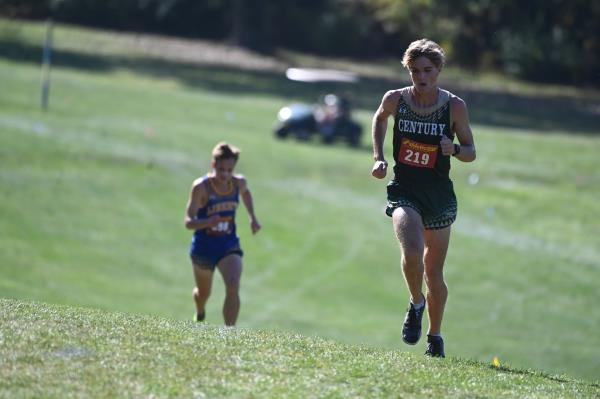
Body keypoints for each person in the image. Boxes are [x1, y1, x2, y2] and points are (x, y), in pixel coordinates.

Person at [370, 39, 476, 357]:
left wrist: (454, 149)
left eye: (428, 70)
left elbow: (471, 152)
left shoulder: (454, 106)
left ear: (439, 70)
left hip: (439, 196)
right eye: (415, 71)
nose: (421, 77)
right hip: (405, 189)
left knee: (434, 272)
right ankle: (416, 303)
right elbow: (379, 118)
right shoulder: (396, 99)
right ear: (408, 70)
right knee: (413, 251)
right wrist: (378, 157)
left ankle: (435, 337)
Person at [184, 142, 261, 326]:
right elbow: (188, 222)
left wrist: (253, 218)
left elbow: (246, 193)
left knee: (233, 284)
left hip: (228, 245)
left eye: (229, 170)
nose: (225, 175)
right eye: (221, 169)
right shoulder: (201, 187)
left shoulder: (238, 183)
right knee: (203, 294)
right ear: (213, 165)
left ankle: (229, 334)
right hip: (204, 248)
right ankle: (200, 310)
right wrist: (207, 222)